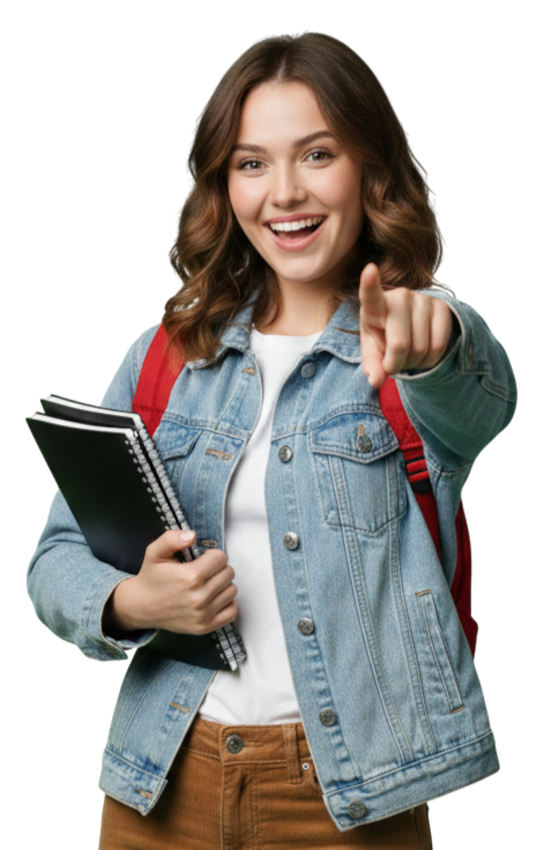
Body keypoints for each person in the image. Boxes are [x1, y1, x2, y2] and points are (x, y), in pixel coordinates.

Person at [26, 31, 517, 850]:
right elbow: (55, 556)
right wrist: (129, 602)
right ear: (224, 184)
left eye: (317, 153)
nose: (283, 193)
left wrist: (438, 343)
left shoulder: (410, 342)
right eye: (252, 163)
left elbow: (479, 395)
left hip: (350, 800)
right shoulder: (164, 353)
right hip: (158, 785)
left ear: (370, 170)